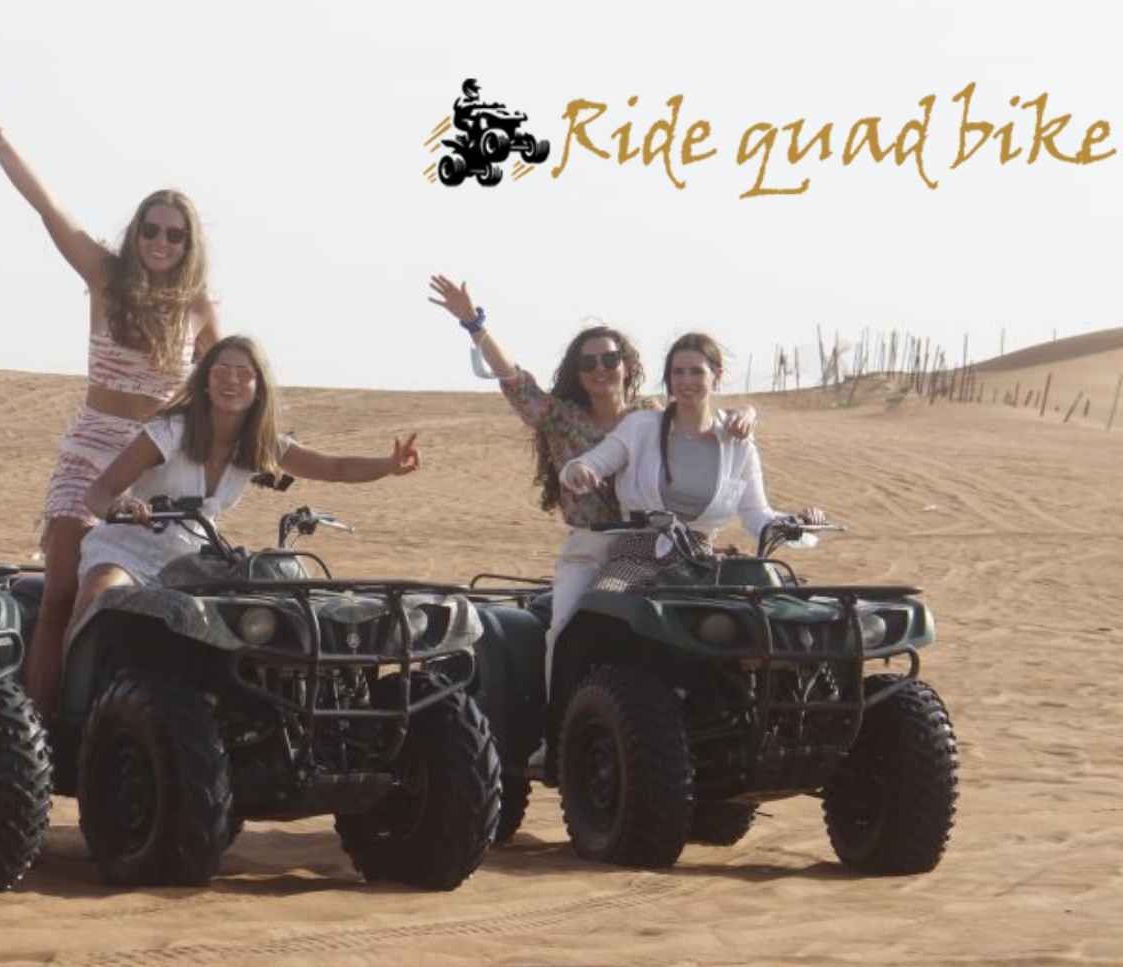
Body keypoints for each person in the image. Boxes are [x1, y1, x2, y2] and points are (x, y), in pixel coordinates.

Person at [0, 83, 221, 717]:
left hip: (152, 462)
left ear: (189, 245)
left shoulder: (198, 308)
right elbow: (50, 210)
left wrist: (261, 449)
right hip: (90, 448)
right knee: (61, 594)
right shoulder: (105, 276)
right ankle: (42, 728)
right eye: (151, 229)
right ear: (137, 233)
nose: (160, 241)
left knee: (142, 601)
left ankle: (117, 718)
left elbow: (230, 384)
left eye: (174, 234)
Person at [428, 276, 757, 689]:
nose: (601, 369)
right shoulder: (560, 417)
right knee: (567, 629)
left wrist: (747, 414)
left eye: (609, 359)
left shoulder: (651, 414)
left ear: (627, 364)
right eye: (589, 363)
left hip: (659, 545)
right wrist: (475, 326)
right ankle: (560, 718)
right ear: (578, 373)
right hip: (591, 547)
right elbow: (514, 380)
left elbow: (701, 412)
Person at [76, 336, 418, 612]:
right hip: (129, 550)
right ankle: (70, 679)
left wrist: (388, 465)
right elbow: (98, 493)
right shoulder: (170, 432)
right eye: (221, 371)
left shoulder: (260, 444)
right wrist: (120, 507)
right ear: (206, 381)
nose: (232, 380)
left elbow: (334, 468)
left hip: (191, 561)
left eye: (244, 373)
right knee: (98, 594)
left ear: (258, 388)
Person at [559, 331, 823, 592]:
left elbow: (757, 515)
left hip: (699, 564)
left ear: (716, 375)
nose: (686, 381)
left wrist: (799, 523)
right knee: (605, 601)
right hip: (636, 556)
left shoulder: (738, 445)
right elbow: (591, 463)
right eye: (678, 372)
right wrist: (580, 470)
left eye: (696, 372)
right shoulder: (640, 427)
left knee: (758, 605)